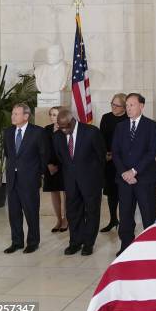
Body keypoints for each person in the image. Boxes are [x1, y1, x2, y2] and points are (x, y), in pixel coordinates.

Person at [112, 93, 156, 256]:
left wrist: (134, 171)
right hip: (124, 179)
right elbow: (116, 152)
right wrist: (124, 173)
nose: (128, 108)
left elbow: (152, 151)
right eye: (126, 105)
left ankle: (150, 247)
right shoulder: (120, 127)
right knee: (125, 215)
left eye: (132, 105)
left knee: (148, 214)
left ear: (141, 106)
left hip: (145, 177)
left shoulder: (151, 126)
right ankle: (126, 246)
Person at [53, 109, 106, 256]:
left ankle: (88, 243)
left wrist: (95, 176)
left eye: (65, 127)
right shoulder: (57, 136)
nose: (63, 130)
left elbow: (101, 156)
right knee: (72, 213)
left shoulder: (91, 132)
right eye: (60, 127)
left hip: (91, 181)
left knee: (92, 212)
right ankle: (75, 242)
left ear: (72, 121)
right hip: (70, 181)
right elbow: (61, 158)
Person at [3, 103, 47, 254]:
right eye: (13, 113)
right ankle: (16, 242)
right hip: (12, 179)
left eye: (16, 114)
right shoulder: (7, 132)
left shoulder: (38, 132)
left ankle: (33, 242)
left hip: (29, 180)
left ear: (26, 116)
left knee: (31, 212)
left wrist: (37, 174)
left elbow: (43, 156)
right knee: (14, 212)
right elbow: (8, 154)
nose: (13, 116)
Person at [99, 93, 128, 232]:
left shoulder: (129, 118)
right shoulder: (106, 117)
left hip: (123, 162)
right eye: (112, 104)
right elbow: (101, 138)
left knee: (123, 192)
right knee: (111, 192)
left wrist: (116, 155)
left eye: (117, 105)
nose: (114, 107)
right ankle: (112, 219)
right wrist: (105, 153)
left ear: (124, 107)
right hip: (109, 161)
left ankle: (125, 221)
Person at [43, 106, 67, 233]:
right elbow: (43, 149)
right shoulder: (46, 129)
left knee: (66, 193)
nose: (54, 117)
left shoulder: (66, 129)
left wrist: (59, 164)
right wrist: (48, 164)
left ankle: (66, 219)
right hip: (50, 166)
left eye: (56, 114)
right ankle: (58, 219)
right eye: (51, 114)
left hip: (64, 166)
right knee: (54, 192)